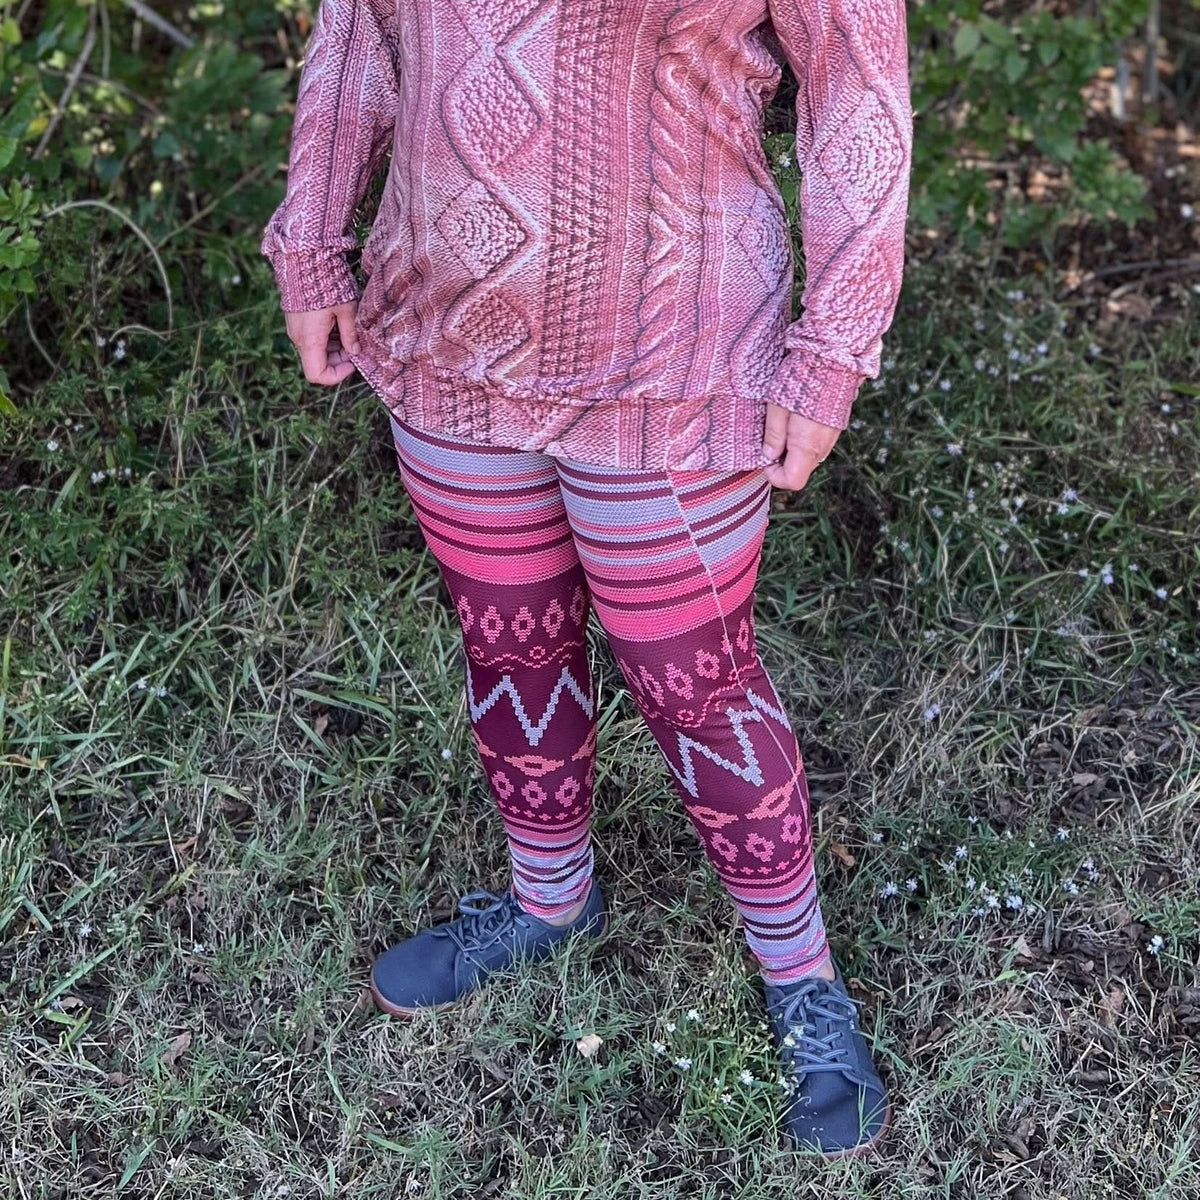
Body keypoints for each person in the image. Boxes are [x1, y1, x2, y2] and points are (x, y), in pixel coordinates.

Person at [262, 0, 912, 1158]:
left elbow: (857, 96)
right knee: (507, 637)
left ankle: (804, 982)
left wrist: (833, 349)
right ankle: (549, 898)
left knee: (694, 680)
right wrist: (313, 235)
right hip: (439, 329)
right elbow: (360, 31)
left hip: (682, 351)